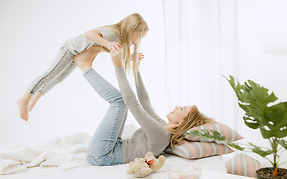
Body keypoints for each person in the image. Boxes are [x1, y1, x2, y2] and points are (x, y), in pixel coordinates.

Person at [72, 45, 212, 166]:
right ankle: (86, 65)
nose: (177, 106)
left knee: (119, 102)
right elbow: (145, 102)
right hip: (109, 148)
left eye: (182, 109)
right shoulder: (162, 126)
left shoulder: (162, 135)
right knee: (121, 102)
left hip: (102, 156)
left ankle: (84, 66)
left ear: (182, 122)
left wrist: (118, 66)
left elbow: (133, 103)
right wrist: (135, 70)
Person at [17, 13, 148, 121]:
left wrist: (130, 57)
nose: (137, 41)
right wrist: (106, 43)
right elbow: (89, 34)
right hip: (71, 49)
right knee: (50, 74)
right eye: (139, 36)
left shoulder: (119, 40)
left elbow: (116, 52)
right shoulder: (113, 33)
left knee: (58, 79)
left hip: (77, 55)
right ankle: (24, 99)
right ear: (132, 28)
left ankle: (35, 98)